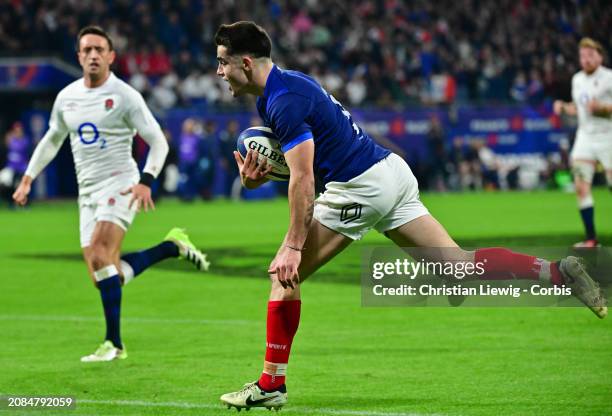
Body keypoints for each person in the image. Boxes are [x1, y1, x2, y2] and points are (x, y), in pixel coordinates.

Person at [214, 21, 607, 411]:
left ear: (245, 63)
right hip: (390, 171)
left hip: (361, 185)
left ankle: (271, 385)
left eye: (222, 62)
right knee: (459, 269)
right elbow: (301, 169)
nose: (218, 72)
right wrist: (254, 182)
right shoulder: (284, 88)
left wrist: (293, 246)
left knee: (284, 275)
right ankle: (557, 273)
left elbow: (302, 178)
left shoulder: (281, 101)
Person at [12, 26, 210, 362]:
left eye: (98, 50)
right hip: (87, 192)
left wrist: (146, 180)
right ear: (78, 56)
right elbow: (52, 138)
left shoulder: (125, 96)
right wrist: (28, 178)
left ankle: (114, 344)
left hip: (120, 182)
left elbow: (158, 141)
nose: (92, 55)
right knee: (103, 274)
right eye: (86, 49)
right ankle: (170, 247)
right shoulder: (67, 97)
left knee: (102, 255)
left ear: (111, 56)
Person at [553, 38, 612, 248]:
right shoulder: (577, 79)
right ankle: (591, 238)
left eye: (590, 55)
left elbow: (603, 108)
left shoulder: (609, 78)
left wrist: (604, 109)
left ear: (600, 57)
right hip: (585, 137)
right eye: (582, 56)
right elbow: (579, 108)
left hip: (608, 136)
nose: (585, 60)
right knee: (580, 186)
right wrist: (563, 107)